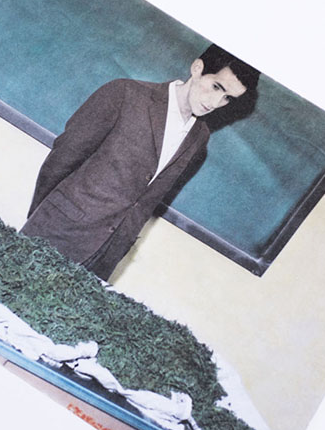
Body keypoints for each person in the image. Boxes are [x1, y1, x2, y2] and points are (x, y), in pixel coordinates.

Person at [20, 44, 260, 280]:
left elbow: (146, 201)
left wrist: (117, 248)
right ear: (197, 68)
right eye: (216, 87)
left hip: (106, 257)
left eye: (227, 98)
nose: (216, 102)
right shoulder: (124, 93)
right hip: (56, 232)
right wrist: (41, 220)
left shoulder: (199, 138)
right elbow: (62, 159)